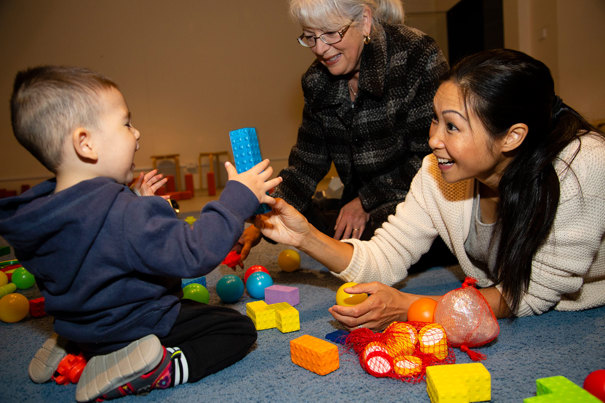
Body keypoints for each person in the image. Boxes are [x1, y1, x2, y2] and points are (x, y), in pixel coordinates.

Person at [255, 49, 605, 330]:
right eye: (435, 119)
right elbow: (385, 257)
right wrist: (305, 237)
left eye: (452, 126)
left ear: (512, 136)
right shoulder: (437, 172)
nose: (434, 139)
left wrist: (413, 306)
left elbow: (528, 296)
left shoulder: (580, 169)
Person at [0, 65, 282, 402]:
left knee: (185, 306)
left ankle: (75, 346)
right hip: (134, 325)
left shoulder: (43, 215)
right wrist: (236, 199)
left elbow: (97, 250)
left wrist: (139, 203)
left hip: (82, 323)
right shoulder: (122, 214)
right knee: (234, 328)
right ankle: (158, 368)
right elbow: (192, 253)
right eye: (126, 123)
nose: (137, 134)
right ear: (85, 143)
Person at [235, 0, 448, 259]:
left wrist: (366, 201)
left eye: (331, 33)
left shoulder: (417, 56)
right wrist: (264, 217)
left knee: (367, 248)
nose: (321, 49)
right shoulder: (316, 81)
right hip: (355, 201)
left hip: (415, 195)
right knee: (316, 225)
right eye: (310, 37)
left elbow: (433, 159)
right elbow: (305, 166)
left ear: (365, 21)